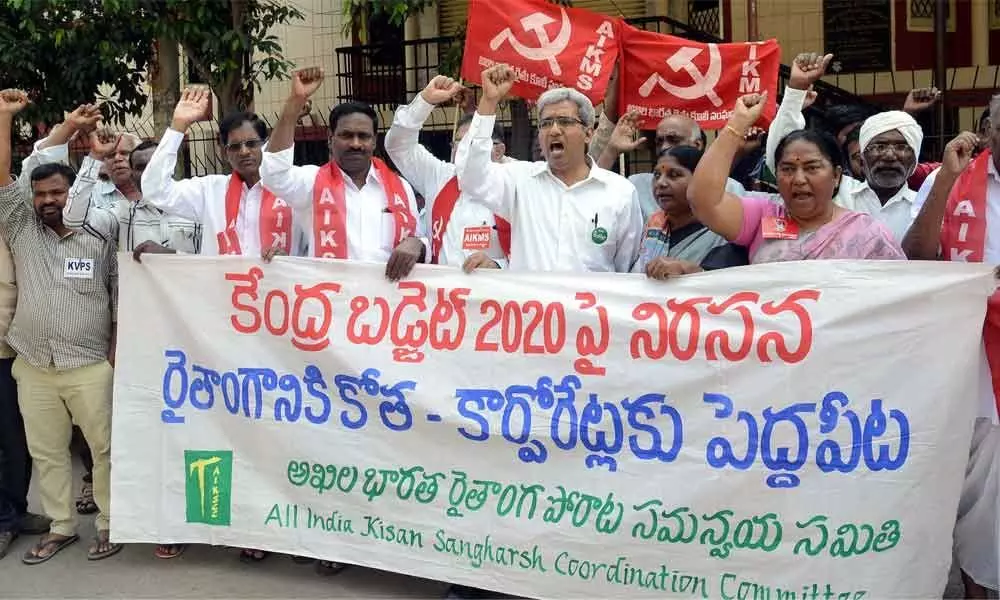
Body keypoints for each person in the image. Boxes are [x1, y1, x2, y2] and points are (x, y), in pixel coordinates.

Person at [0, 89, 121, 564]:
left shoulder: (99, 234)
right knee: (46, 452)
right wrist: (6, 117)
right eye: (42, 193)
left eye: (58, 193)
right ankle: (62, 525)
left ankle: (110, 522)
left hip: (90, 363)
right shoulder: (19, 227)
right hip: (34, 363)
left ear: (75, 195)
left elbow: (119, 299)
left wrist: (114, 351)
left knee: (104, 449)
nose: (49, 200)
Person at [902, 120, 1000, 598]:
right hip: (976, 353)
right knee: (979, 486)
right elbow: (917, 254)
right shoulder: (956, 180)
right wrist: (944, 180)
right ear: (989, 130)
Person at [454, 64, 642, 273]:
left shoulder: (621, 193)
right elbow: (470, 176)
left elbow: (628, 272)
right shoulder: (519, 181)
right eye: (545, 124)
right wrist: (488, 102)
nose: (553, 130)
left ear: (588, 133)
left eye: (564, 121)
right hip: (530, 306)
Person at [688, 93, 904, 263]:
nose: (799, 179)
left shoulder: (868, 234)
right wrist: (736, 125)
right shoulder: (763, 217)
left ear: (836, 176)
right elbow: (703, 201)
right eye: (788, 169)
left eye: (811, 168)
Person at [261, 67, 427, 283]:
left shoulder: (400, 188)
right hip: (331, 305)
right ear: (330, 139)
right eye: (346, 135)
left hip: (388, 308)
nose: (356, 144)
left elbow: (418, 236)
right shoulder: (311, 182)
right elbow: (273, 173)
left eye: (363, 136)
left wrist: (417, 243)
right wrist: (295, 103)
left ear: (374, 141)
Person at [766, 52, 925, 243]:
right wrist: (796, 90)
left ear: (915, 157)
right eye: (879, 146)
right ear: (861, 156)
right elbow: (783, 155)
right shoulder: (836, 191)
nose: (890, 155)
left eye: (902, 147)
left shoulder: (925, 207)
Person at [141, 87, 301, 262]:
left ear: (265, 144)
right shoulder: (210, 191)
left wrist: (289, 260)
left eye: (252, 143)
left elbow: (314, 248)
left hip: (280, 286)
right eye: (235, 146)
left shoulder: (293, 188)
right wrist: (179, 126)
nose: (244, 151)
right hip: (224, 288)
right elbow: (155, 190)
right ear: (225, 153)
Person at [384, 74, 510, 273]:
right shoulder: (439, 176)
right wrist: (425, 100)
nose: (464, 149)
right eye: (459, 142)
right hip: (442, 300)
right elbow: (398, 146)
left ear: (499, 150)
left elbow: (534, 254)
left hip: (495, 299)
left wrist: (498, 266)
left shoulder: (515, 184)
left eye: (474, 142)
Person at [589, 105, 746, 221]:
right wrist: (611, 150)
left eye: (673, 139)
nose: (664, 147)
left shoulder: (730, 188)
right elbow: (590, 199)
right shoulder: (637, 185)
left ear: (697, 145)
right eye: (659, 141)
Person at [64, 130, 202, 255]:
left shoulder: (198, 206)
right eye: (140, 168)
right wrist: (95, 156)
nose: (147, 174)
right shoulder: (124, 213)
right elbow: (74, 220)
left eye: (153, 166)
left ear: (168, 167)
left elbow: (216, 259)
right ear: (132, 173)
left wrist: (172, 255)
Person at [633, 145, 748, 279]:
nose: (661, 183)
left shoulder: (724, 232)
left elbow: (730, 283)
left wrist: (688, 270)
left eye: (674, 175)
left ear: (701, 180)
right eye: (657, 175)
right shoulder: (649, 228)